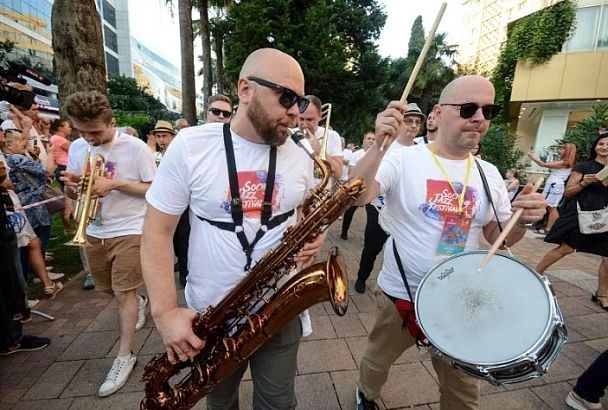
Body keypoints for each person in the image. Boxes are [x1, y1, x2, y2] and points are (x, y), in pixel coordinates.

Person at [141, 48, 324, 410]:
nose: (295, 112)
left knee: (278, 403)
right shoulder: (191, 146)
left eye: (300, 101)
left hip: (278, 309)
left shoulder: (301, 154)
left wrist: (311, 236)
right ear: (245, 89)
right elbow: (156, 232)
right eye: (286, 97)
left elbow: (302, 212)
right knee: (220, 403)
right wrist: (165, 313)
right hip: (211, 316)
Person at [350, 75, 547, 410]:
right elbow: (357, 195)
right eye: (468, 108)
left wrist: (523, 221)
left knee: (464, 389)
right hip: (403, 293)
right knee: (377, 360)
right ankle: (365, 395)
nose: (479, 118)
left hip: (460, 299)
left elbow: (496, 237)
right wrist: (380, 145)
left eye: (488, 110)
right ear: (438, 114)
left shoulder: (489, 173)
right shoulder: (404, 158)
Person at [61, 91, 157, 397]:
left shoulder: (136, 148)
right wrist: (74, 189)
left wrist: (114, 183)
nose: (89, 138)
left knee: (122, 293)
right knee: (107, 289)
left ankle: (124, 354)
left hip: (130, 228)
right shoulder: (78, 148)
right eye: (82, 131)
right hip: (93, 229)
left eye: (96, 132)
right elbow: (80, 194)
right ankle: (140, 303)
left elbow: (153, 190)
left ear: (111, 122)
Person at [354, 103, 424, 294]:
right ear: (399, 123)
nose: (413, 126)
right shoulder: (386, 146)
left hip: (405, 213)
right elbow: (361, 182)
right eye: (408, 121)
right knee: (372, 247)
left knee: (400, 250)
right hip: (379, 207)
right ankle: (362, 277)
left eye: (417, 122)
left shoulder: (423, 150)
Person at [536, 132, 608, 310]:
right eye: (601, 144)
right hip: (582, 211)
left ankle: (602, 294)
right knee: (566, 248)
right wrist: (584, 183)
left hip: (605, 214)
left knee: (607, 258)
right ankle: (535, 274)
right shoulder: (584, 167)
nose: (604, 147)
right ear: (595, 147)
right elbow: (568, 192)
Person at [529, 142, 576, 233]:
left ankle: (550, 228)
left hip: (556, 185)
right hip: (553, 183)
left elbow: (543, 164)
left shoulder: (564, 162)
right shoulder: (563, 161)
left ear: (567, 151)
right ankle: (536, 223)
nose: (559, 151)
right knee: (545, 204)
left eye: (562, 149)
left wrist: (531, 156)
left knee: (552, 207)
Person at [298, 94, 343, 179]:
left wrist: (319, 150)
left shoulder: (333, 136)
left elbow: (338, 174)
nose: (304, 124)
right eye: (301, 119)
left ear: (320, 116)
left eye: (309, 119)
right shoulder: (289, 135)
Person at [340, 132, 375, 240]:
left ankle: (368, 238)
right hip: (357, 187)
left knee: (372, 216)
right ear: (364, 141)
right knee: (350, 211)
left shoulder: (378, 155)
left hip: (372, 187)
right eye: (369, 138)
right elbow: (352, 172)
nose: (371, 141)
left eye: (374, 139)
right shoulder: (356, 155)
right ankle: (344, 232)